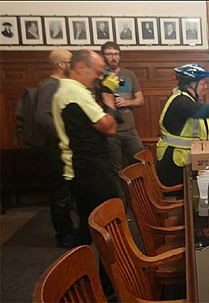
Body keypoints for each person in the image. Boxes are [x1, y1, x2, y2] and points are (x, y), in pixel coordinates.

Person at [52, 49, 120, 299]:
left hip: (81, 169)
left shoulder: (68, 90)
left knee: (86, 230)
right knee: (109, 223)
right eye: (97, 71)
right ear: (80, 67)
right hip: (90, 168)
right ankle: (107, 286)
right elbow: (109, 126)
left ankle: (76, 280)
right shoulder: (74, 92)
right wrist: (109, 97)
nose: (98, 77)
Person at [156, 64, 209, 187]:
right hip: (173, 162)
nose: (205, 87)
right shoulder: (180, 100)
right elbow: (194, 110)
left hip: (185, 159)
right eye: (202, 84)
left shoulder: (189, 99)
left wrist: (207, 134)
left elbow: (189, 124)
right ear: (191, 84)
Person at [35, 49, 74, 248]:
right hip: (56, 147)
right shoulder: (50, 85)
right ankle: (64, 234)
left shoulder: (63, 84)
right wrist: (64, 135)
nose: (73, 63)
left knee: (67, 191)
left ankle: (69, 229)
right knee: (60, 193)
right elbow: (42, 117)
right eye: (70, 60)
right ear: (61, 64)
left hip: (64, 146)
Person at [101, 41, 145, 204]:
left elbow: (140, 100)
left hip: (130, 129)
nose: (113, 57)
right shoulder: (99, 76)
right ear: (103, 56)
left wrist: (127, 102)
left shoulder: (129, 74)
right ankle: (119, 206)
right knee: (114, 170)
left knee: (140, 164)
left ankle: (142, 202)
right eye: (109, 54)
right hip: (110, 131)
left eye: (116, 54)